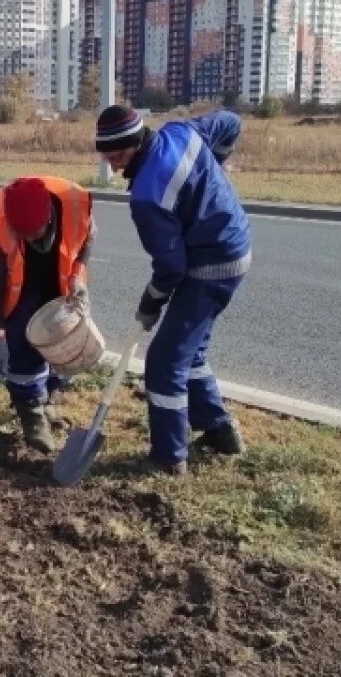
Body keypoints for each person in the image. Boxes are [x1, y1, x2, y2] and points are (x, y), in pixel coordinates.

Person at [94, 105, 250, 475]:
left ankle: (168, 457)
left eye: (117, 152)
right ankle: (220, 433)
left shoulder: (148, 196)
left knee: (165, 362)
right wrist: (214, 166)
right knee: (189, 352)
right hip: (234, 245)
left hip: (210, 266)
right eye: (105, 152)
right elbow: (231, 122)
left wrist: (152, 301)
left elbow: (171, 267)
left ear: (136, 141)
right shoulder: (181, 132)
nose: (112, 161)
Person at [0, 177, 95, 452]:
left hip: (59, 281)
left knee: (63, 342)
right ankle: (31, 412)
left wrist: (77, 275)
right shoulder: (2, 220)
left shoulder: (75, 206)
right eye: (22, 234)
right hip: (22, 288)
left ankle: (48, 396)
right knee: (21, 342)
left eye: (33, 233)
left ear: (49, 218)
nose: (28, 239)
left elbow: (88, 240)